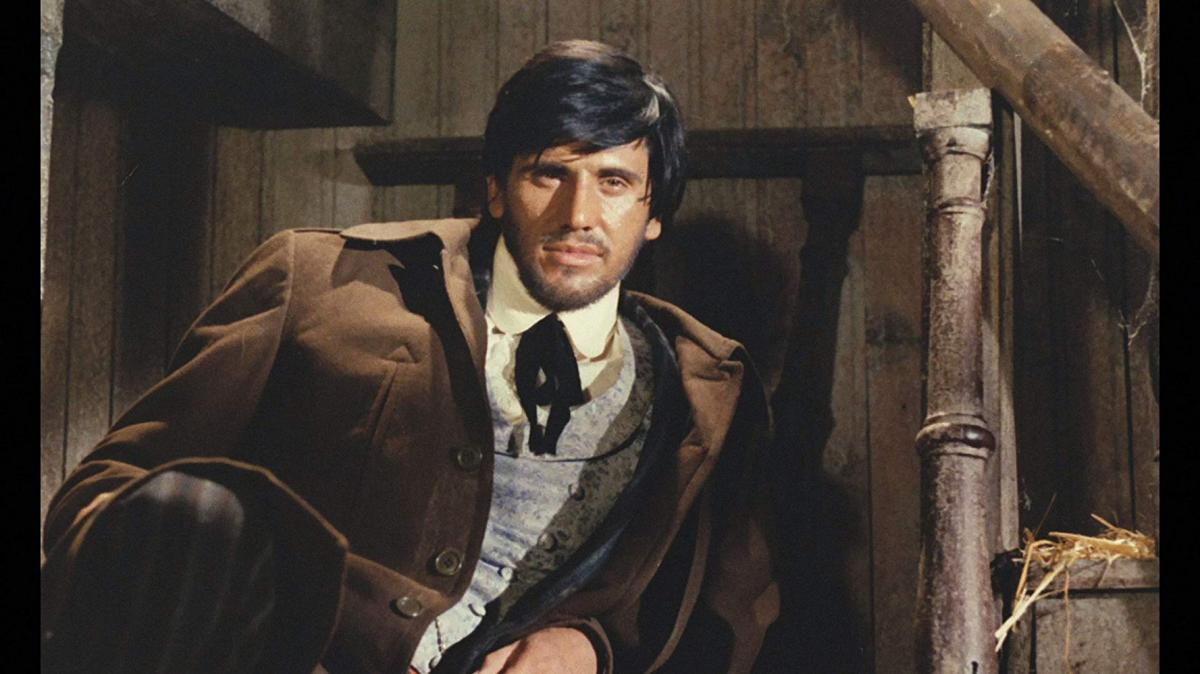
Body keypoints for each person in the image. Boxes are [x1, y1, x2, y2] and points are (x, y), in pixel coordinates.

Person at [41, 40, 779, 674]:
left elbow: (720, 620)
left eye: (614, 182)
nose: (578, 215)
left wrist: (592, 649)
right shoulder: (321, 280)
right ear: (496, 190)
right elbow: (110, 493)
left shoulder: (705, 391)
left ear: (653, 215)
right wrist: (239, 622)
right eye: (548, 173)